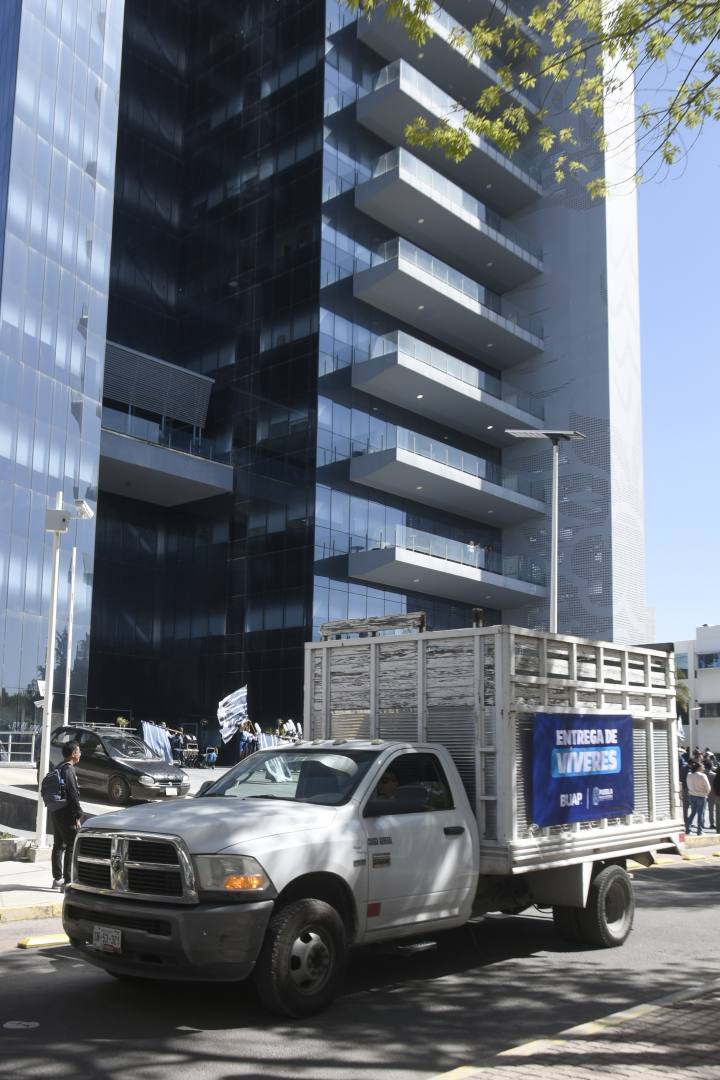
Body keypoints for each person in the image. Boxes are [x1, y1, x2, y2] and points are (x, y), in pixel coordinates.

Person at [51, 741, 83, 892]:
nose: (80, 754)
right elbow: (72, 795)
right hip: (67, 813)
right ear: (73, 754)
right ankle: (68, 882)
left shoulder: (58, 767)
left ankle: (57, 879)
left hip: (56, 811)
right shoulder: (69, 770)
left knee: (58, 844)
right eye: (79, 751)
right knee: (72, 845)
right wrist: (78, 815)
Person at [685, 761, 711, 836]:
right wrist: (706, 793)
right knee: (700, 814)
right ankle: (700, 831)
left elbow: (688, 784)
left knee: (693, 812)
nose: (704, 767)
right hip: (701, 796)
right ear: (699, 768)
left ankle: (688, 829)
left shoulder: (689, 774)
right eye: (703, 766)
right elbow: (708, 788)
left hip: (691, 795)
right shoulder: (703, 776)